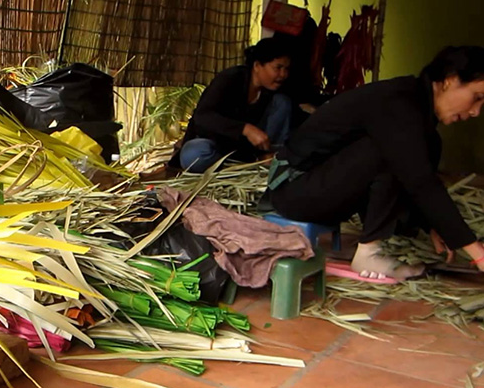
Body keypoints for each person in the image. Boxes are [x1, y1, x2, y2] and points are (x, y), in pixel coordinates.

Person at [267, 46, 484, 280]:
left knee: (421, 147)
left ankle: (375, 247)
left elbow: (418, 179)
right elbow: (421, 182)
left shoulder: (418, 116)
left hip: (325, 190)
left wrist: (431, 224)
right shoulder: (398, 102)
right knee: (392, 150)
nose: (476, 112)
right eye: (477, 97)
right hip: (294, 188)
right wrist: (477, 252)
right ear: (449, 81)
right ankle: (369, 253)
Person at [169, 37, 293, 173]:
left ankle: (265, 158)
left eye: (286, 69)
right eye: (278, 68)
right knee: (193, 155)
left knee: (283, 102)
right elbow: (203, 117)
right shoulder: (230, 79)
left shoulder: (273, 91)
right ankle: (231, 167)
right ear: (257, 66)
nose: (283, 74)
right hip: (216, 145)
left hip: (248, 151)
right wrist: (245, 129)